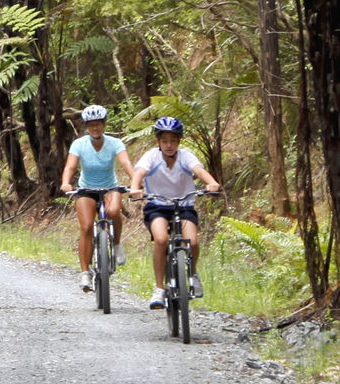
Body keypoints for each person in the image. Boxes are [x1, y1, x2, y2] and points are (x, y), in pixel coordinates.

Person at [128, 116, 221, 310]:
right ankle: (159, 288)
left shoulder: (186, 156)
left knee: (193, 242)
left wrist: (211, 183)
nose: (169, 145)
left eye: (173, 140)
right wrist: (135, 187)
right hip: (157, 206)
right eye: (165, 141)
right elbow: (139, 173)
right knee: (161, 239)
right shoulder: (151, 156)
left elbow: (199, 170)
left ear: (179, 141)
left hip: (184, 205)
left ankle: (192, 273)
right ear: (158, 142)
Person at [59, 104, 135, 293]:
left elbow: (125, 162)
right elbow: (70, 166)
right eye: (91, 124)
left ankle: (116, 244)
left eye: (98, 124)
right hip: (86, 189)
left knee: (113, 211)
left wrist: (135, 181)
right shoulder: (79, 144)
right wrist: (66, 182)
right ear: (86, 126)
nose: (95, 128)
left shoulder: (115, 143)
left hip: (111, 187)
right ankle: (85, 272)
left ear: (104, 124)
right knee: (86, 227)